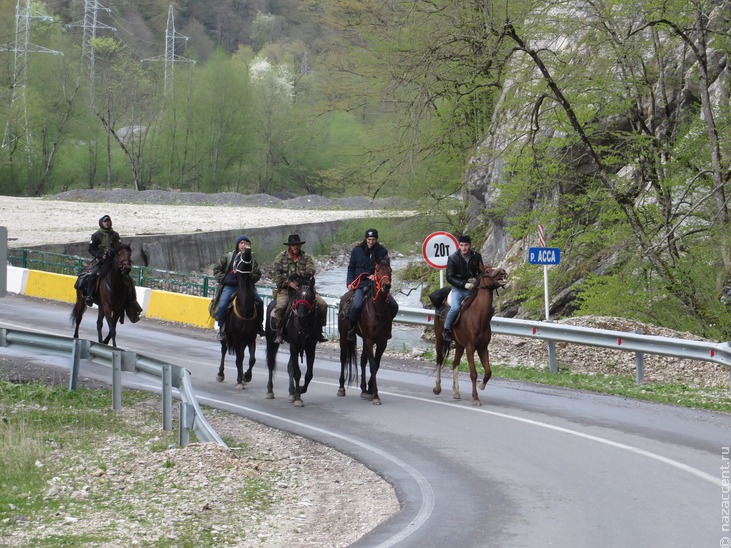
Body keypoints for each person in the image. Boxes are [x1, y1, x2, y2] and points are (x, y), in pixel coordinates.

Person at [78, 215, 142, 322]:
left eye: (108, 221)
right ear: (101, 223)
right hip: (101, 261)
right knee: (93, 275)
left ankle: (132, 302)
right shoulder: (96, 235)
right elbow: (91, 249)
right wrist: (100, 254)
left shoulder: (115, 235)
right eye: (105, 221)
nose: (107, 223)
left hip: (114, 261)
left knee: (128, 280)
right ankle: (89, 296)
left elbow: (119, 247)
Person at [271, 234, 329, 344]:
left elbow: (311, 271)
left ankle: (319, 330)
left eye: (297, 245)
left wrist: (297, 275)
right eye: (293, 245)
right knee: (281, 307)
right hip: (286, 290)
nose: (295, 247)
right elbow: (276, 275)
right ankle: (279, 332)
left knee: (322, 305)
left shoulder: (306, 257)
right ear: (289, 246)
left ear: (300, 245)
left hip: (304, 289)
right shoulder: (280, 257)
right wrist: (288, 282)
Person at [345, 228, 399, 341]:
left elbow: (386, 268)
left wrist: (376, 276)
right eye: (369, 239)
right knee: (356, 305)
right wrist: (349, 282)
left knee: (394, 306)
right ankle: (351, 329)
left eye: (373, 239)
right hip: (360, 284)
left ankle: (386, 328)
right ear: (366, 239)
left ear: (376, 239)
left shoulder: (382, 251)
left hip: (376, 285)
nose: (371, 242)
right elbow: (351, 268)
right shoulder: (356, 250)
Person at [212, 235, 265, 341]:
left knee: (259, 302)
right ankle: (221, 328)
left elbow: (257, 273)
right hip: (231, 286)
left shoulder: (252, 259)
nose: (243, 245)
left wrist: (248, 280)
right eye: (241, 242)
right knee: (222, 304)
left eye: (246, 243)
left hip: (247, 287)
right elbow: (216, 269)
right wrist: (226, 279)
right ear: (237, 244)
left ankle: (259, 326)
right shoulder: (228, 256)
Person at [442, 235, 485, 342]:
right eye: (461, 245)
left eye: (466, 245)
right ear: (459, 246)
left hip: (473, 289)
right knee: (455, 308)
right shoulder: (452, 258)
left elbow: (481, 272)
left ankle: (483, 327)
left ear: (470, 245)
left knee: (489, 308)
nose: (464, 248)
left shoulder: (477, 256)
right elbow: (449, 277)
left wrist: (477, 279)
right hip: (459, 289)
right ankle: (446, 330)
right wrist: (463, 284)